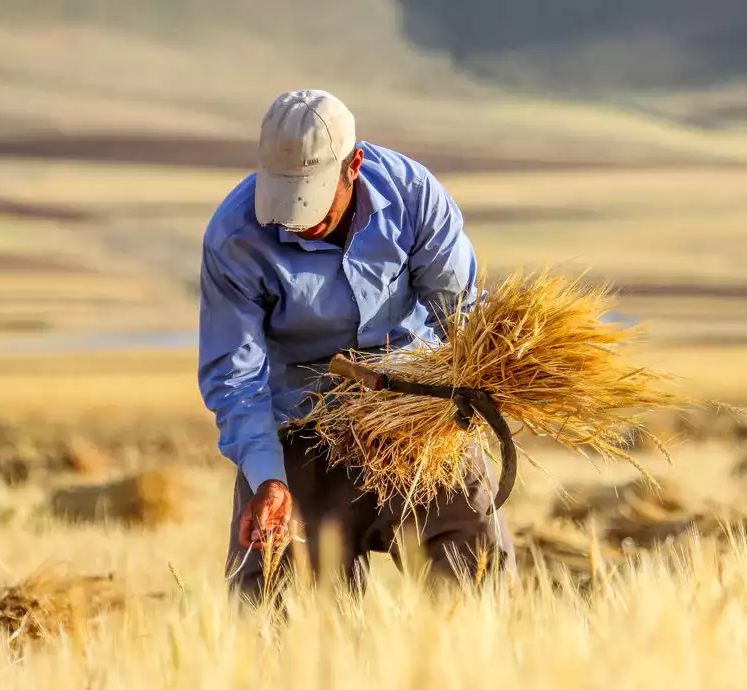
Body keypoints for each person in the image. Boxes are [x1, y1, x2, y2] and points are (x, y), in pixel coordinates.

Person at [197, 89, 515, 605]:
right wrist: (267, 480)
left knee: (477, 573)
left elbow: (459, 314)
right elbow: (236, 375)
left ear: (354, 166)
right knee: (276, 606)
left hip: (415, 412)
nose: (296, 217)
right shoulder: (234, 238)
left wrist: (486, 383)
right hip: (301, 419)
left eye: (311, 194)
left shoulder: (414, 195)